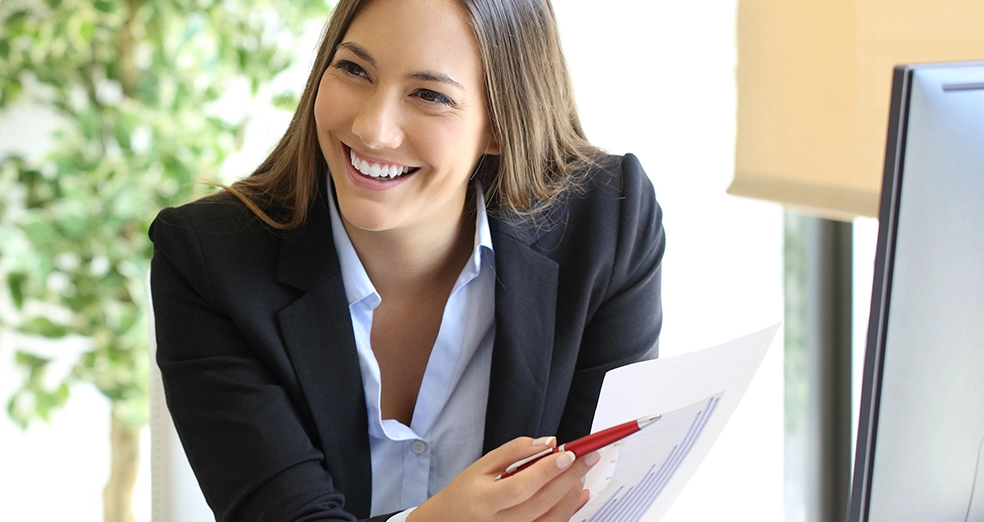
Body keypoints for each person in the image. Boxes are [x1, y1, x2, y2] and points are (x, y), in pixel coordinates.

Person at [148, 0, 665, 520]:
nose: (373, 129)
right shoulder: (209, 261)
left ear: (503, 125)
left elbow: (593, 499)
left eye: (429, 95)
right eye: (354, 69)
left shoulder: (608, 223)